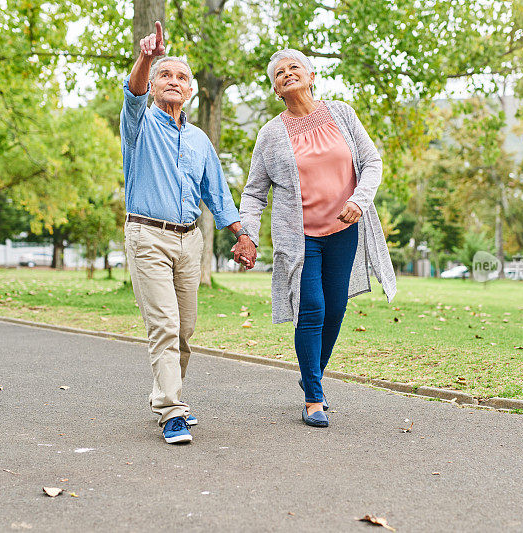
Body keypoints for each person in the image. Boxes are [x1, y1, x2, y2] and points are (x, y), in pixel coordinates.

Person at [233, 49, 396, 428]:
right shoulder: (271, 134)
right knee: (313, 310)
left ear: (311, 75)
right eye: (279, 73)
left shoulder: (341, 113)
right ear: (275, 88)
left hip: (344, 231)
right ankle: (313, 398)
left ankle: (311, 375)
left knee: (336, 309)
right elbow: (255, 192)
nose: (287, 74)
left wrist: (359, 199)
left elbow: (372, 162)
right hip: (300, 238)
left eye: (294, 68)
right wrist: (248, 234)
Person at [121, 22, 254, 444]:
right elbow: (133, 94)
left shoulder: (198, 140)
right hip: (148, 237)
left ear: (191, 90)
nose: (173, 81)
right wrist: (146, 56)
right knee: (162, 324)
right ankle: (172, 410)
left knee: (185, 329)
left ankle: (165, 393)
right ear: (155, 85)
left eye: (181, 77)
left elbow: (216, 192)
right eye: (166, 75)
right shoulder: (139, 123)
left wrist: (241, 234)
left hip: (189, 239)